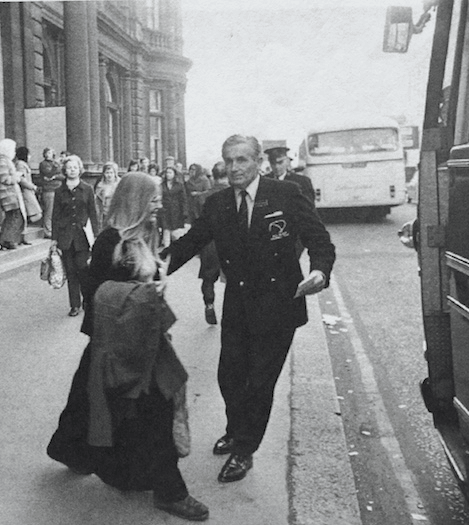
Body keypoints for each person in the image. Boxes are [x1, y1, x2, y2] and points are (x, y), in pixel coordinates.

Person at [163, 135, 335, 483]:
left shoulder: (285, 194)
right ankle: (236, 429)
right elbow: (190, 242)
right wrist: (152, 269)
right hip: (239, 304)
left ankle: (244, 450)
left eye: (242, 160)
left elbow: (319, 240)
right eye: (229, 161)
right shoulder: (218, 204)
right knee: (230, 376)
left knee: (259, 382)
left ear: (258, 162)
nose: (235, 168)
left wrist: (319, 271)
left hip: (279, 305)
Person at [47, 172, 210, 522]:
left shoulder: (142, 236)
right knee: (156, 409)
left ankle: (71, 451)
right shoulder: (109, 241)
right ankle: (170, 492)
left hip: (142, 341)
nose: (159, 204)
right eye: (153, 198)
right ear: (135, 200)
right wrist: (145, 295)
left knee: (89, 399)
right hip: (118, 344)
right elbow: (96, 292)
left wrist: (153, 286)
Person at [50, 154, 97, 317]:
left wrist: (96, 236)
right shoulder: (59, 191)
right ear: (65, 170)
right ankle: (74, 305)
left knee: (83, 269)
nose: (72, 170)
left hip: (83, 236)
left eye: (75, 167)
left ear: (80, 170)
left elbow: (93, 213)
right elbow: (55, 216)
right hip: (65, 237)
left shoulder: (88, 189)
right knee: (70, 271)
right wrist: (54, 239)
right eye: (69, 167)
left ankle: (87, 300)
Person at [197, 162, 229, 325]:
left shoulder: (203, 197)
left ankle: (209, 304)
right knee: (234, 278)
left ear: (213, 177)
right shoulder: (235, 195)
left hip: (209, 243)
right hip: (230, 243)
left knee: (208, 278)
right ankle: (232, 313)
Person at [0, 138, 29, 250]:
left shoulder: (5, 161)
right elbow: (5, 178)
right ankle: (7, 240)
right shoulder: (3, 162)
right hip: (8, 195)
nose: (14, 152)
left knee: (12, 217)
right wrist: (17, 176)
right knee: (15, 216)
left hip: (10, 194)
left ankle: (4, 240)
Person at [159, 166, 187, 247]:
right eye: (167, 172)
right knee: (166, 231)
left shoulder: (179, 185)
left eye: (170, 173)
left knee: (176, 232)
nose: (168, 174)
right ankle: (167, 250)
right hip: (165, 211)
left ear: (174, 174)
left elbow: (183, 199)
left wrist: (184, 212)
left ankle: (177, 251)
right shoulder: (162, 185)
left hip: (176, 211)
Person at [15, 146, 42, 230]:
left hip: (28, 191)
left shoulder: (21, 164)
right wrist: (33, 187)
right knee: (36, 214)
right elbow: (22, 179)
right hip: (26, 191)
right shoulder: (20, 164)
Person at [38, 147, 63, 239]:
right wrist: (55, 169)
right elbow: (48, 173)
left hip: (57, 189)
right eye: (47, 153)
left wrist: (55, 176)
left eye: (50, 153)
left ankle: (54, 230)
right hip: (49, 190)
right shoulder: (43, 164)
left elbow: (63, 175)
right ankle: (47, 230)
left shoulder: (55, 163)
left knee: (56, 211)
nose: (48, 155)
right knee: (49, 211)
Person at [94, 161, 119, 233]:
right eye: (107, 173)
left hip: (116, 214)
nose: (109, 175)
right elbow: (97, 202)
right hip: (105, 214)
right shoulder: (100, 186)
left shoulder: (119, 184)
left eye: (111, 173)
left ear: (115, 173)